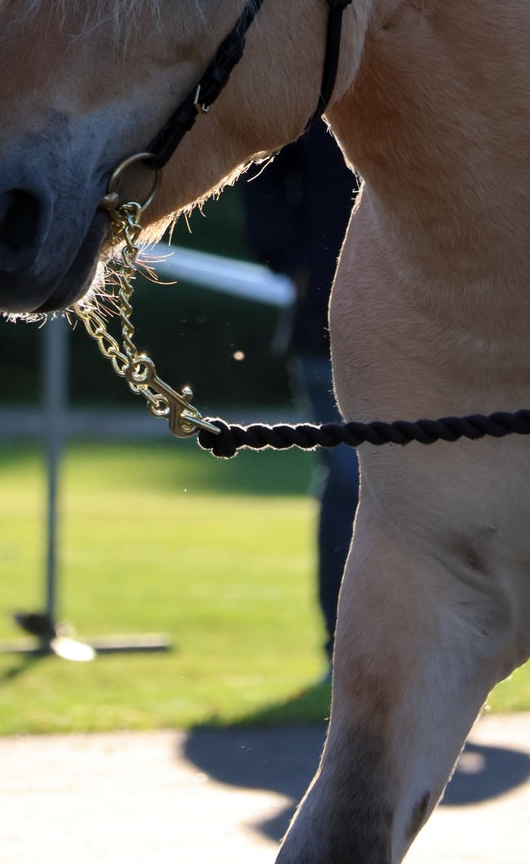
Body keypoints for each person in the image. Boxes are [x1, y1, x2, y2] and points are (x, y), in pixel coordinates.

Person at [241, 122, 359, 661]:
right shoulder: (315, 78)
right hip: (327, 328)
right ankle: (347, 641)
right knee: (351, 478)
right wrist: (289, 260)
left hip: (427, 326)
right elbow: (257, 169)